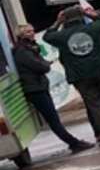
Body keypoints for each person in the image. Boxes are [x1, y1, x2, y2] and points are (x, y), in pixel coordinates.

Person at [42, 5, 100, 147]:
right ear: (80, 16)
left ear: (65, 19)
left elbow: (47, 36)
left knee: (95, 106)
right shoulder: (93, 28)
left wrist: (58, 22)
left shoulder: (62, 36)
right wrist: (88, 13)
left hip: (81, 76)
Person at [11, 24, 95, 153]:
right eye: (28, 32)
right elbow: (40, 66)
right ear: (21, 34)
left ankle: (73, 142)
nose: (32, 33)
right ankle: (73, 143)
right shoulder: (22, 50)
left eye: (32, 31)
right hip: (35, 89)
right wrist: (45, 65)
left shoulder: (29, 48)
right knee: (53, 119)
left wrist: (44, 64)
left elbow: (40, 63)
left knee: (53, 118)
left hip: (39, 86)